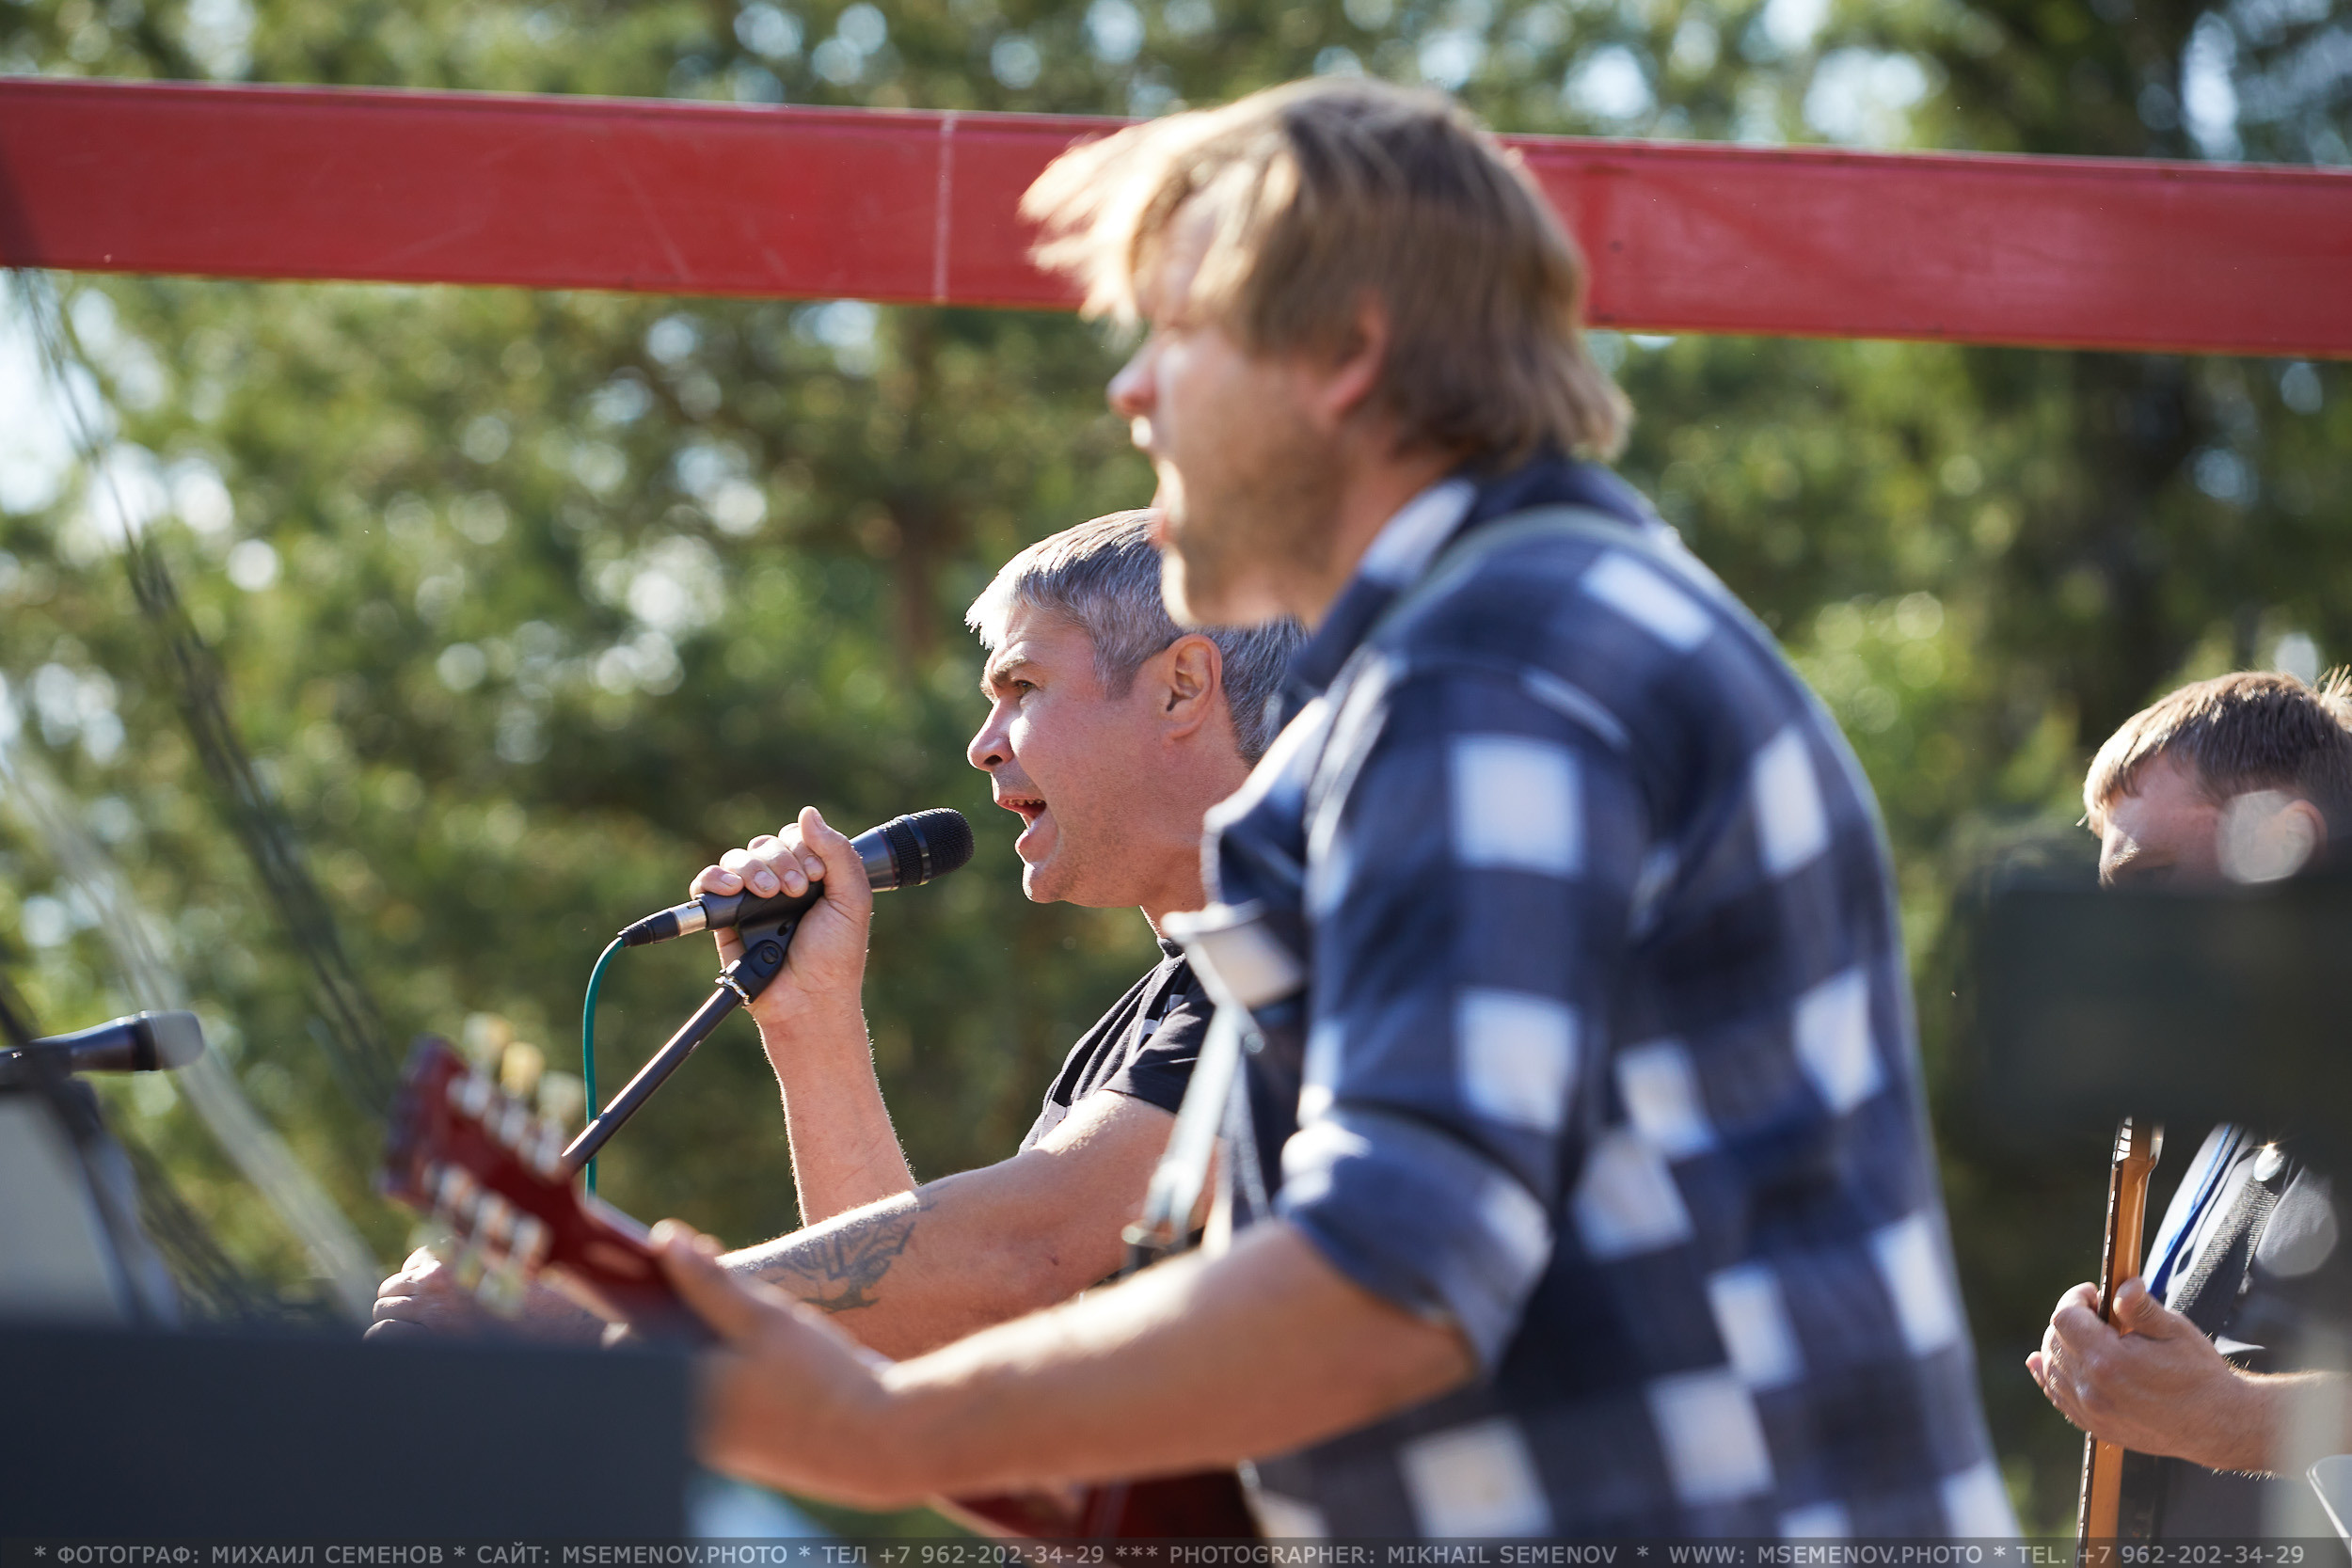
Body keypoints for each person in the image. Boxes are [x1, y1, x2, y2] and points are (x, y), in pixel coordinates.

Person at [649, 76, 2013, 1539]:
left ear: (1348, 351)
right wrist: (786, 1365)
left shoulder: (1497, 664)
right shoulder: (1496, 651)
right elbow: (1209, 1440)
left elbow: (1390, 1279)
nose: (1130, 392)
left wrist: (855, 1414)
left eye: (1177, 333)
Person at [371, 513, 1298, 1358]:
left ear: (1181, 687)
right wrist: (811, 1025)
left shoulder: (1311, 951)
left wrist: (607, 1300)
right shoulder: (1155, 1017)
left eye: (1022, 685)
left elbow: (1018, 1254)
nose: (982, 742)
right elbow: (915, 1346)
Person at [2029, 669, 2352, 1537]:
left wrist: (2232, 1416)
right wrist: (2115, 1381)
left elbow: (2223, 1415)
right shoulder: (2220, 1124)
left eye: (2153, 880)